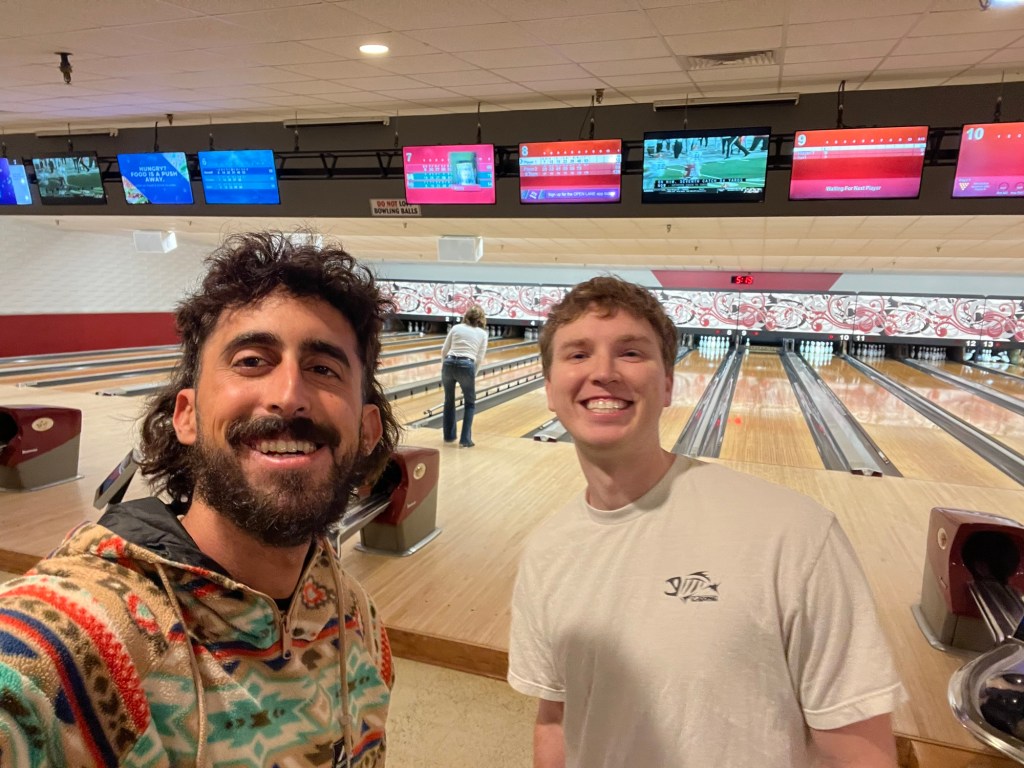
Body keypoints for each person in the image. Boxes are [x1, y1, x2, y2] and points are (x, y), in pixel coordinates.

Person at [0, 232, 401, 767]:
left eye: (324, 369)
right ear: (186, 416)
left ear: (368, 429)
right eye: (251, 360)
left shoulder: (357, 621)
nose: (289, 395)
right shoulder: (75, 639)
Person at [508, 276, 903, 768]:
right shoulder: (547, 550)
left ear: (668, 384)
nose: (603, 372)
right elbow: (554, 718)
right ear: (549, 389)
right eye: (578, 354)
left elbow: (858, 753)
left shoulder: (794, 533)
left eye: (630, 353)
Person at [440, 305, 488, 448]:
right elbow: (479, 358)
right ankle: (465, 440)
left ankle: (449, 436)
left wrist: (445, 366)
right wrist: (472, 376)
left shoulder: (456, 328)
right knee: (470, 403)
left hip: (449, 362)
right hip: (467, 365)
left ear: (466, 316)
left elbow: (444, 350)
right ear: (481, 319)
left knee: (448, 401)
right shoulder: (482, 333)